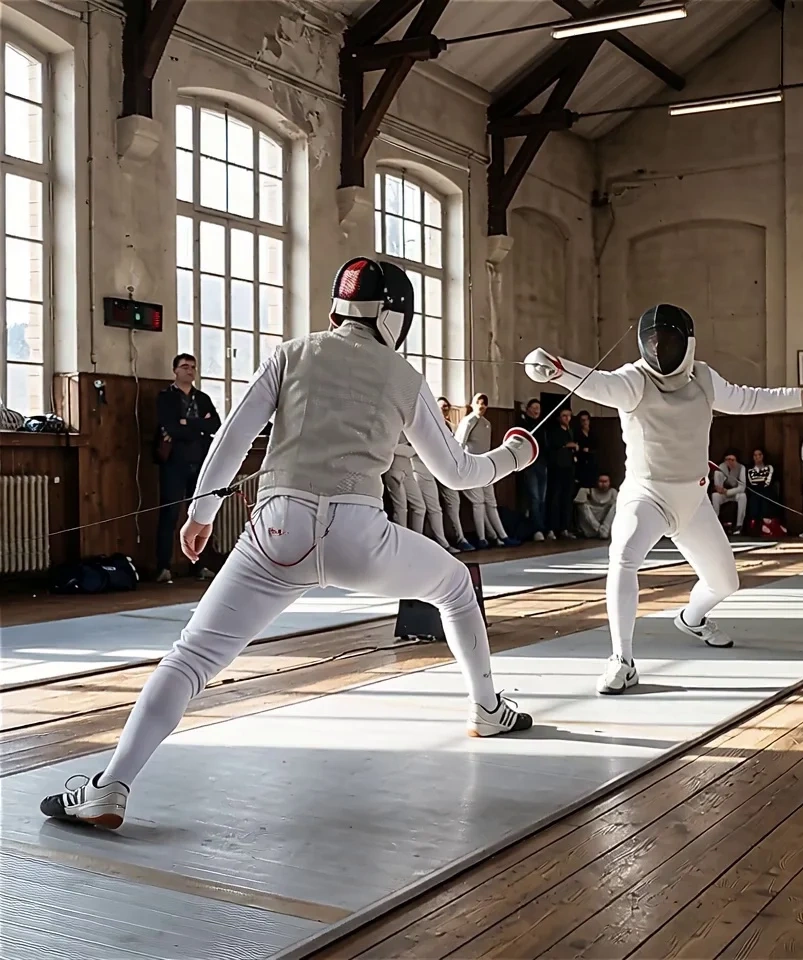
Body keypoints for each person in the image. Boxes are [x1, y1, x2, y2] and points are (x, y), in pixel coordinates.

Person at [40, 257, 538, 829]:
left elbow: (233, 437)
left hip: (277, 531)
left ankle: (111, 786)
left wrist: (202, 512)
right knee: (452, 583)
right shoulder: (405, 377)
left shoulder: (292, 352)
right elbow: (456, 471)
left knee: (192, 658)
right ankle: (487, 708)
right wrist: (515, 455)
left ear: (336, 308)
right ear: (398, 318)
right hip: (360, 537)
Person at [525, 303, 803, 695]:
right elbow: (598, 384)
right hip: (646, 496)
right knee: (623, 557)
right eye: (652, 341)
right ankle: (622, 659)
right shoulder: (634, 379)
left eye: (666, 341)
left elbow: (747, 399)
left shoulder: (702, 377)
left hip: (694, 500)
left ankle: (692, 618)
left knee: (725, 582)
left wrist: (800, 395)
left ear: (686, 343)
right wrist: (559, 368)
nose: (659, 349)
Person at [154, 353, 220, 582]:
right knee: (170, 514)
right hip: (174, 462)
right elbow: (170, 427)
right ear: (175, 371)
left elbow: (215, 425)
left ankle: (198, 564)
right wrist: (197, 426)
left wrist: (188, 423)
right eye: (184, 366)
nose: (190, 370)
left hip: (199, 460)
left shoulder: (202, 398)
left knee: (200, 514)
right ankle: (163, 567)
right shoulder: (166, 397)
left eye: (193, 366)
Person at [455, 393, 520, 548]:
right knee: (478, 502)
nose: (482, 406)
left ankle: (502, 536)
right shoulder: (468, 421)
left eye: (484, 403)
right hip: (472, 466)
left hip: (485, 466)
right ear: (472, 404)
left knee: (491, 502)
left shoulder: (487, 423)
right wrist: (462, 467)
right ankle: (482, 538)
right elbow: (459, 444)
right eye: (479, 402)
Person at [435, 397, 474, 552]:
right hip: (431, 468)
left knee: (454, 502)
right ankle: (443, 540)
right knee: (431, 508)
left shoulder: (451, 426)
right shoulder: (432, 426)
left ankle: (459, 538)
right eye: (442, 407)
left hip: (449, 469)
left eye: (446, 407)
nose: (445, 409)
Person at [545, 407, 579, 540]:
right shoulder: (554, 431)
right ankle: (551, 529)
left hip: (569, 468)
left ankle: (565, 528)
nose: (567, 418)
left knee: (567, 498)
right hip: (557, 467)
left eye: (569, 416)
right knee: (555, 498)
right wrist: (567, 445)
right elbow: (555, 446)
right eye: (564, 416)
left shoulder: (571, 431)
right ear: (559, 418)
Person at [517, 399, 547, 541]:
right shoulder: (523, 424)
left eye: (538, 408)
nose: (536, 411)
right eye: (534, 407)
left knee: (542, 499)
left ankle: (542, 527)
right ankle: (537, 530)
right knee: (534, 498)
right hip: (530, 465)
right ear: (527, 409)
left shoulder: (542, 425)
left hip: (542, 464)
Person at [711, 450, 747, 535]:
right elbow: (718, 486)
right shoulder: (720, 467)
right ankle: (716, 523)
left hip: (734, 492)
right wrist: (721, 488)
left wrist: (728, 492)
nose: (730, 462)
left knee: (743, 496)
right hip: (723, 493)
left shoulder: (741, 468)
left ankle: (739, 525)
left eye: (732, 460)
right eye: (727, 459)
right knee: (715, 496)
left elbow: (742, 487)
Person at [744, 448, 776, 535]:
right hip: (754, 491)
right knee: (755, 496)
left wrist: (761, 483)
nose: (758, 457)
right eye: (755, 455)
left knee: (765, 494)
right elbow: (751, 482)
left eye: (760, 455)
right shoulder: (750, 469)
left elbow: (768, 481)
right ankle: (756, 521)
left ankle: (765, 520)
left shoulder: (769, 467)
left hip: (766, 490)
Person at [575, 473, 617, 539]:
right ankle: (601, 531)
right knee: (583, 506)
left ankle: (604, 531)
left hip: (606, 525)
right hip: (589, 526)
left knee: (616, 506)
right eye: (601, 481)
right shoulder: (586, 490)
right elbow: (581, 508)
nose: (603, 484)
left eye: (605, 481)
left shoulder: (613, 492)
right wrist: (597, 527)